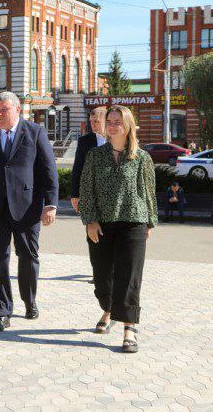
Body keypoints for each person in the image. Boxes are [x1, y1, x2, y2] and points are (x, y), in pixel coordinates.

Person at [0, 92, 58, 333]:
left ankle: (29, 300)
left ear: (17, 110)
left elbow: (48, 169)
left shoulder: (35, 132)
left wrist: (50, 204)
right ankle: (2, 312)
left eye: (4, 110)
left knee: (28, 256)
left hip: (28, 207)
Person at [79, 105, 158, 353]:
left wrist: (150, 221)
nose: (112, 126)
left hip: (133, 222)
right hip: (101, 223)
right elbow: (86, 189)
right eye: (110, 121)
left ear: (128, 125)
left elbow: (149, 192)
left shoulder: (141, 157)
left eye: (118, 122)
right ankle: (109, 308)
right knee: (102, 277)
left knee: (129, 276)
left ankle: (129, 328)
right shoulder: (95, 156)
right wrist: (90, 220)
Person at [70, 106, 107, 283]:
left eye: (97, 121)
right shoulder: (85, 141)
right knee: (92, 234)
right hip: (91, 195)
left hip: (113, 196)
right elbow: (77, 168)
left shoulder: (116, 138)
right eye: (91, 121)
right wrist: (74, 195)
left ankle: (111, 269)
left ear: (106, 120)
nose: (93, 124)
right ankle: (98, 272)